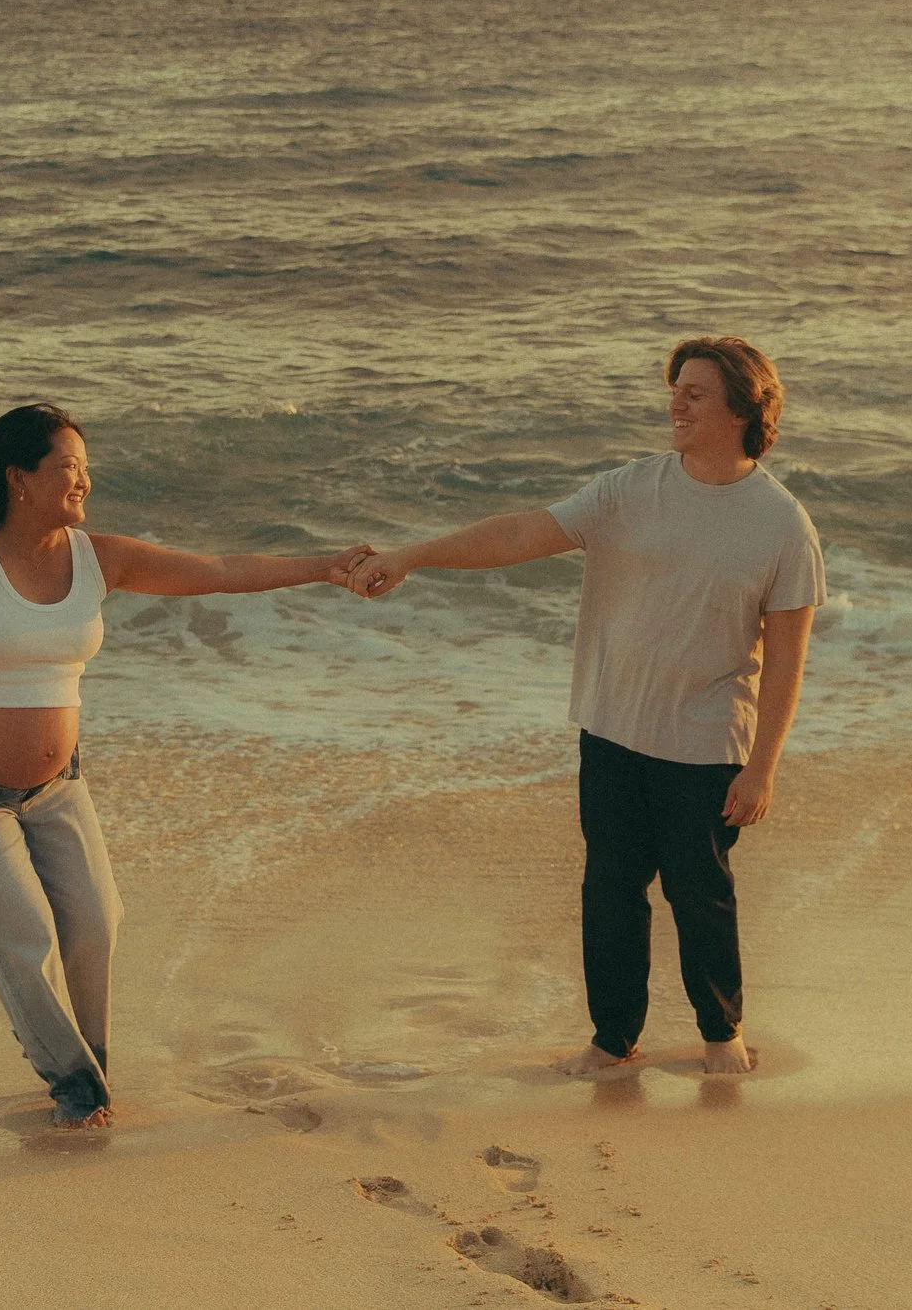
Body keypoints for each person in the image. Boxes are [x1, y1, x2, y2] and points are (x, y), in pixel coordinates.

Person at [0, 402, 370, 1127]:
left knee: (96, 924)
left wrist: (325, 567)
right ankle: (75, 1086)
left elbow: (224, 570)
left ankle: (90, 1062)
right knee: (25, 934)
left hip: (56, 784)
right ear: (19, 477)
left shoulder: (97, 557)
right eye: (68, 466)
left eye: (86, 466)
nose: (83, 479)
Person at [349, 337, 822, 1076]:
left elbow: (789, 656)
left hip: (704, 744)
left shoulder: (781, 523)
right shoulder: (630, 489)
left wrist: (763, 767)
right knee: (610, 890)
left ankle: (721, 1037)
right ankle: (613, 1041)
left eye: (695, 392)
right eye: (677, 389)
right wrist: (414, 554)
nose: (677, 403)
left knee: (701, 899)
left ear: (742, 407)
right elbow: (519, 533)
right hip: (611, 729)